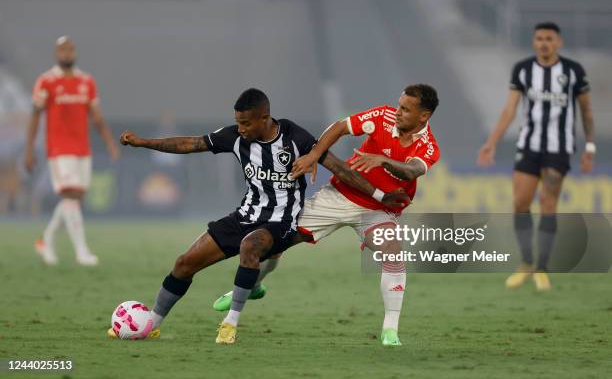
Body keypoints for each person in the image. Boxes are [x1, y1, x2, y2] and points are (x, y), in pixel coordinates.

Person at [109, 88, 409, 343]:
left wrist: (379, 196)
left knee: (251, 247)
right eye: (237, 123)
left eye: (246, 123)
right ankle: (153, 324)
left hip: (281, 219)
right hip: (245, 214)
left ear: (264, 118)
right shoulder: (235, 137)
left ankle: (231, 322)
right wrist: (143, 142)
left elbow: (340, 168)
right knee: (185, 262)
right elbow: (191, 144)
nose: (241, 129)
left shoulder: (295, 137)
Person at [214, 84, 441, 346]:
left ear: (423, 116)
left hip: (379, 209)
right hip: (338, 196)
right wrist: (314, 154)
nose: (397, 112)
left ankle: (390, 329)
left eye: (405, 109)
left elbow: (412, 170)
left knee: (392, 251)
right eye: (399, 105)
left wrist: (384, 161)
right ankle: (251, 286)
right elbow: (339, 127)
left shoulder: (428, 145)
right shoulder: (382, 117)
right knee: (277, 238)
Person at [477, 22, 595, 291]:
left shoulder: (572, 71)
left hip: (559, 148)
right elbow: (509, 109)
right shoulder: (523, 69)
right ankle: (526, 264)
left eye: (549, 39)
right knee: (520, 203)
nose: (544, 43)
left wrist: (589, 148)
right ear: (534, 42)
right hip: (529, 146)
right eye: (539, 38)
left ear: (558, 42)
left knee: (548, 203)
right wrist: (491, 143)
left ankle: (542, 267)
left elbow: (586, 112)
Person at [25, 36, 119, 266]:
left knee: (74, 198)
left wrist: (109, 141)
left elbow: (96, 116)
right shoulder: (46, 81)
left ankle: (47, 240)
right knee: (70, 195)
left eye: (70, 49)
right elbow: (35, 115)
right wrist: (29, 149)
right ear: (56, 53)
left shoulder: (86, 81)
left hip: (82, 148)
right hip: (59, 148)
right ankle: (82, 252)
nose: (66, 53)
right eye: (62, 50)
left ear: (74, 52)